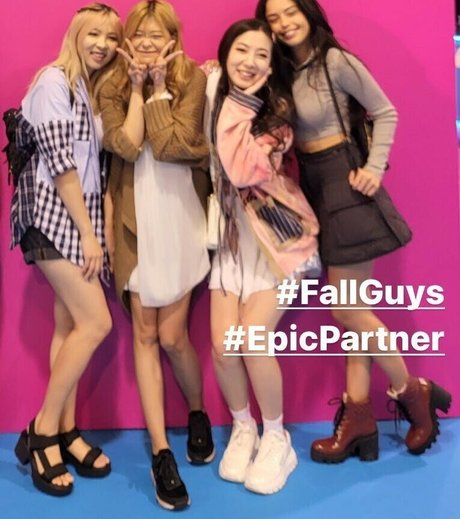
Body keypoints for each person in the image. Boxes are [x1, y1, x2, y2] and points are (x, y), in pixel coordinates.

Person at [256, 0, 452, 462]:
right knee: (355, 313)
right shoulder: (284, 71)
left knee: (346, 310)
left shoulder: (335, 61)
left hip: (345, 185)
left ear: (308, 11)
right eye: (274, 18)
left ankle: (413, 391)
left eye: (290, 11)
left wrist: (375, 168)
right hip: (313, 189)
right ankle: (360, 416)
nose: (283, 23)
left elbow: (385, 111)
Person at [99, 0, 213, 511]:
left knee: (173, 337)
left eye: (156, 33)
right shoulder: (111, 86)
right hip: (133, 224)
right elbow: (126, 147)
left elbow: (175, 146)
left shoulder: (193, 79)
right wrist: (136, 89)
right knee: (144, 336)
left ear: (172, 38)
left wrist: (161, 86)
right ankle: (161, 454)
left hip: (181, 217)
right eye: (139, 33)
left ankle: (197, 410)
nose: (146, 42)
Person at [11, 3, 122, 496]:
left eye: (111, 37)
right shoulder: (53, 82)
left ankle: (64, 429)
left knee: (71, 326)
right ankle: (41, 432)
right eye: (94, 33)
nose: (102, 44)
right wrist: (90, 235)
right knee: (96, 323)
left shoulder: (85, 88)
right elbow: (61, 165)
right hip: (53, 218)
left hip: (79, 218)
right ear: (75, 33)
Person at [208, 18, 320, 495]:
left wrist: (239, 100)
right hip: (232, 241)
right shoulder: (214, 93)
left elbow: (240, 170)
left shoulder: (276, 114)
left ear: (272, 67)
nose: (249, 62)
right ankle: (243, 427)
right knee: (223, 348)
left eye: (261, 55)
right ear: (225, 53)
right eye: (241, 50)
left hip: (280, 242)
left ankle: (277, 438)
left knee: (253, 341)